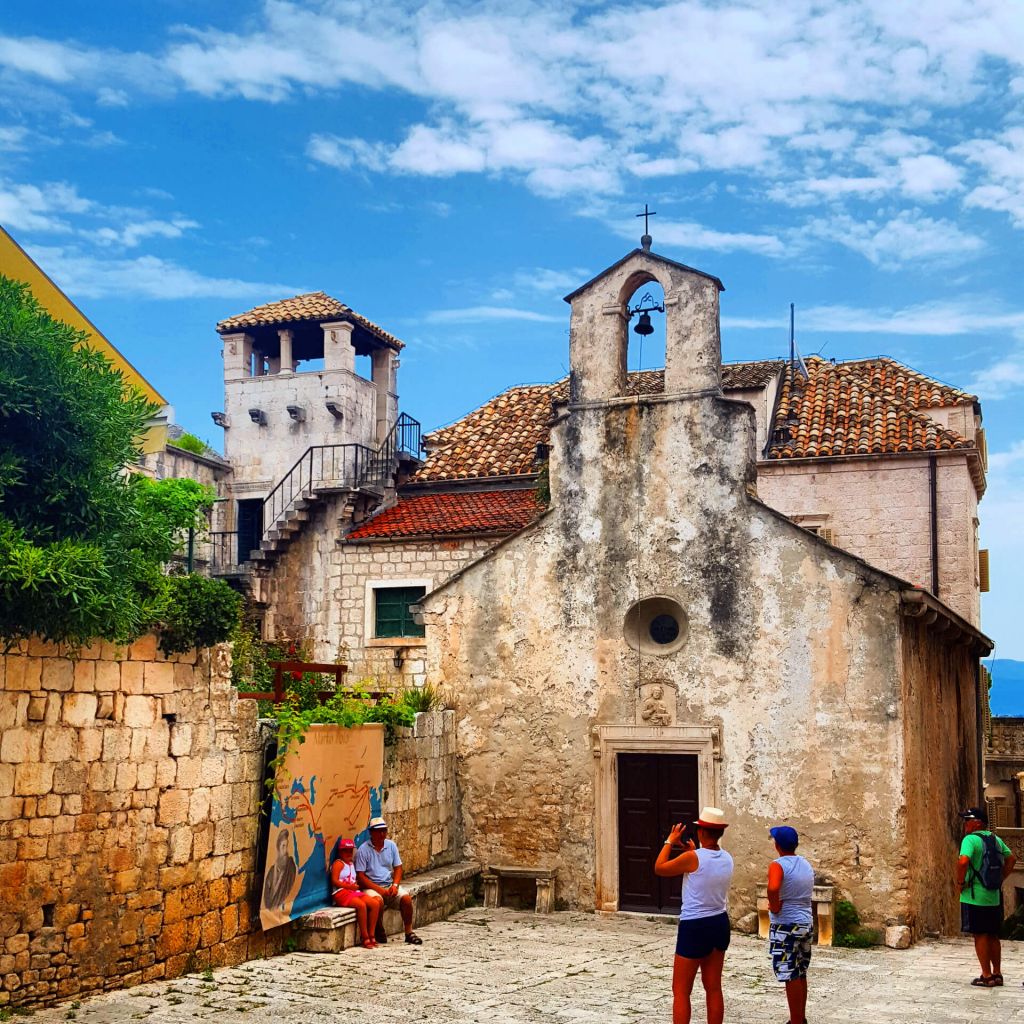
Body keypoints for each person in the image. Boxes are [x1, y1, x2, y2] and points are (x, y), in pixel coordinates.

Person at [654, 807, 733, 1024]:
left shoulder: (692, 858)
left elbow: (660, 867)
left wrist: (669, 841)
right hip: (719, 921)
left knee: (681, 990)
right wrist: (691, 849)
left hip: (695, 925)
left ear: (701, 832)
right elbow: (706, 864)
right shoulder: (727, 858)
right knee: (713, 987)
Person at [957, 806, 1015, 987]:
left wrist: (960, 882)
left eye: (967, 820)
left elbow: (963, 861)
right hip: (993, 895)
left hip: (974, 895)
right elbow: (1011, 859)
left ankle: (986, 975)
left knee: (980, 935)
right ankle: (997, 974)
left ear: (977, 823)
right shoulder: (995, 839)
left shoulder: (970, 840)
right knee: (992, 935)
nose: (965, 824)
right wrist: (1000, 878)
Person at [766, 825, 814, 1024]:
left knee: (790, 973)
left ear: (777, 845)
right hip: (805, 922)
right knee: (801, 972)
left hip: (786, 925)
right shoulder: (805, 863)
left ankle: (795, 1021)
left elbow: (773, 887)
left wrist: (775, 906)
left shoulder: (778, 864)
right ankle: (800, 1018)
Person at [355, 817, 422, 945]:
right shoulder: (363, 850)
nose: (382, 834)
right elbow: (361, 877)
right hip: (371, 886)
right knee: (377, 901)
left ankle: (409, 932)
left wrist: (395, 885)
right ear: (371, 833)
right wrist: (379, 889)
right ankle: (378, 929)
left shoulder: (391, 846)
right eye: (378, 831)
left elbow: (398, 868)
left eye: (384, 831)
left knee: (406, 899)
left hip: (388, 884)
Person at [330, 837, 380, 949]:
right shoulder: (339, 863)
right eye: (345, 850)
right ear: (340, 852)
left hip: (353, 892)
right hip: (341, 893)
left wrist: (356, 886)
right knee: (361, 906)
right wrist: (349, 887)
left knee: (375, 904)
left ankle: (372, 934)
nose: (348, 853)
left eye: (350, 850)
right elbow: (334, 880)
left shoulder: (351, 864)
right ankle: (365, 936)